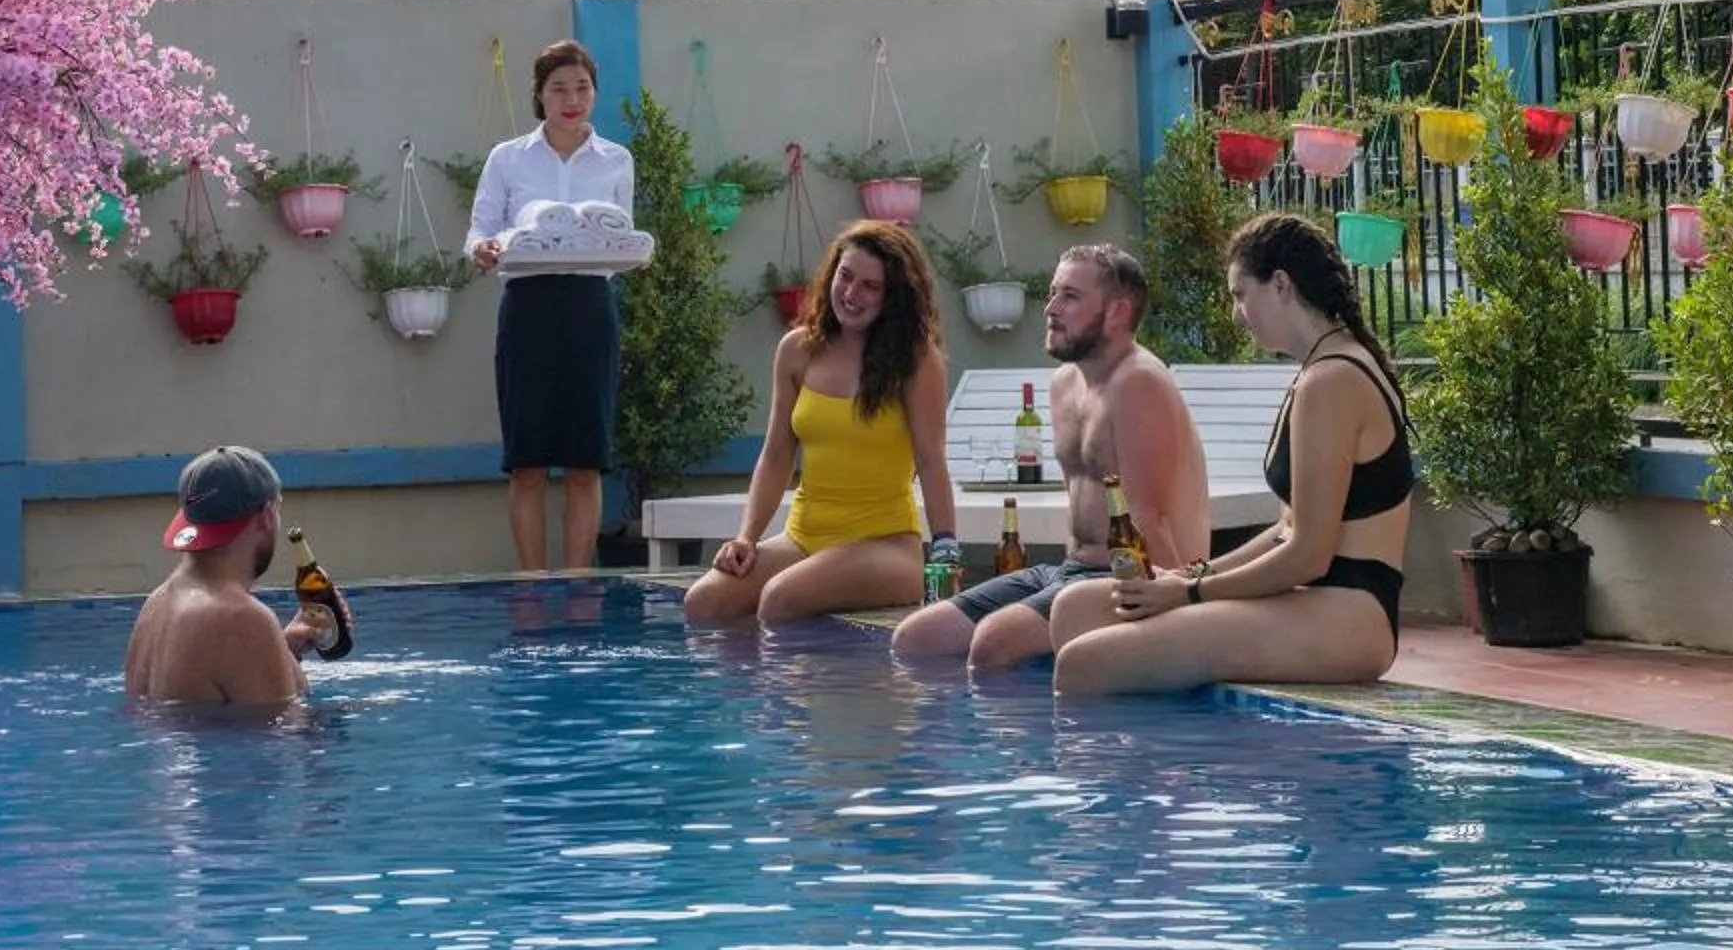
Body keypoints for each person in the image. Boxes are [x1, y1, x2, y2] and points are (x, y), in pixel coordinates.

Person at [1050, 212, 1411, 694]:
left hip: (1348, 616)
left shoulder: (1334, 381)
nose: (1237, 314)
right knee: (1076, 610)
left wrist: (1190, 591)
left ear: (1280, 285)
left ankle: (1159, 770)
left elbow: (1308, 555)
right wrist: (1191, 574)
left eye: (1241, 295)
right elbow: (1287, 530)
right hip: (1313, 601)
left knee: (1083, 665)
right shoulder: (1318, 371)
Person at [889, 243, 1205, 671]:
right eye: (1053, 293)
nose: (1051, 308)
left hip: (1129, 580)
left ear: (1116, 312)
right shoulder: (1063, 385)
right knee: (916, 638)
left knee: (992, 643)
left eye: (1070, 297)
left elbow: (1152, 519)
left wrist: (1175, 620)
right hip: (1066, 570)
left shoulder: (1139, 384)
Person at [682, 220, 957, 628]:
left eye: (870, 286)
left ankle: (804, 689)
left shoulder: (916, 360)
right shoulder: (796, 350)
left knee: (780, 598)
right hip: (804, 539)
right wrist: (746, 538)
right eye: (845, 277)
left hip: (885, 546)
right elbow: (776, 455)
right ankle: (759, 691)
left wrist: (946, 550)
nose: (851, 293)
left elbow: (931, 460)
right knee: (704, 603)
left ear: (893, 297)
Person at [466, 39, 636, 571]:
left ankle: (580, 586)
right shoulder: (507, 157)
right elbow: (479, 230)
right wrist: (484, 250)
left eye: (582, 87)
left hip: (590, 308)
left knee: (586, 463)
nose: (571, 98)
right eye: (559, 87)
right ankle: (531, 587)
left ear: (594, 93)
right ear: (539, 95)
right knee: (528, 463)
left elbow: (622, 235)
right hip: (527, 308)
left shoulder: (616, 160)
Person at [124, 445, 347, 706]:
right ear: (265, 517)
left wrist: (283, 648)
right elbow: (287, 737)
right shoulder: (242, 619)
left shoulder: (156, 604)